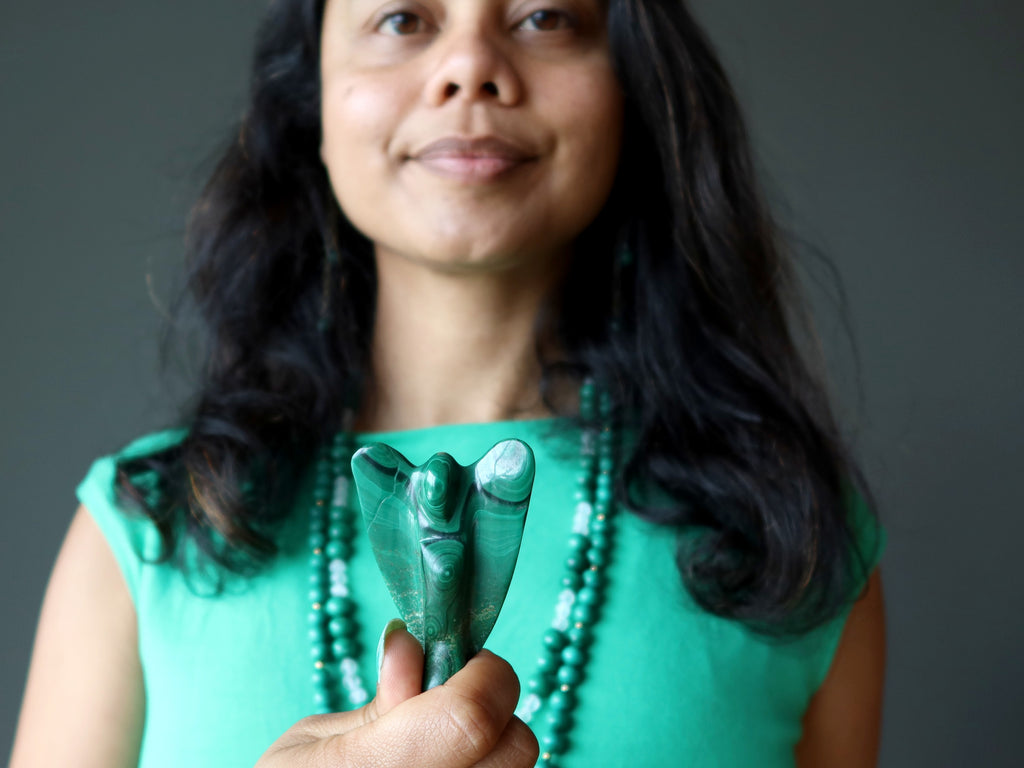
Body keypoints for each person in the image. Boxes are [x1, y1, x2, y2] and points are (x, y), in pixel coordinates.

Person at [10, 0, 886, 766]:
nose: (470, 66)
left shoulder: (790, 538)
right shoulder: (148, 526)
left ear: (634, 89)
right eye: (401, 19)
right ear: (310, 97)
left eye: (545, 17)